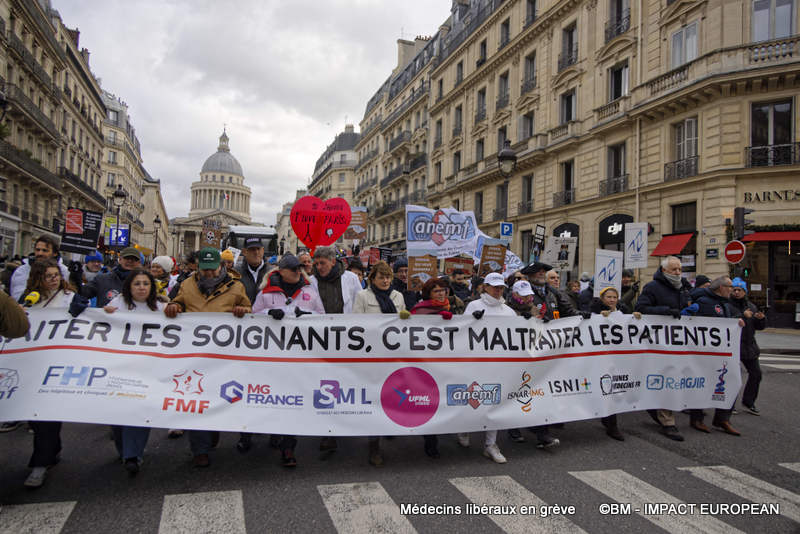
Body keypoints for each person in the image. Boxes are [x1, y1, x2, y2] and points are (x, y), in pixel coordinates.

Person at [164, 247, 251, 467]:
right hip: (195, 354)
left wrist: (242, 311)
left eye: (213, 269)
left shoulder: (236, 286)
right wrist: (174, 306)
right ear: (198, 268)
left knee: (219, 396)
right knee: (196, 399)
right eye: (205, 270)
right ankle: (200, 449)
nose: (210, 274)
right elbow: (177, 303)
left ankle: (213, 428)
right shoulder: (187, 284)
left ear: (221, 266)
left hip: (224, 354)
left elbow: (249, 310)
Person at [252, 254, 324, 466]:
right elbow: (252, 318)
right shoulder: (266, 291)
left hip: (299, 355)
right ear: (281, 271)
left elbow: (323, 317)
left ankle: (289, 448)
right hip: (273, 356)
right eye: (293, 269)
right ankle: (275, 432)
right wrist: (268, 313)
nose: (297, 272)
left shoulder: (310, 290)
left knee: (293, 399)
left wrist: (306, 316)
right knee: (275, 397)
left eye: (299, 269)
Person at [18, 259, 76, 487]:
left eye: (56, 275)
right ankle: (52, 450)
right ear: (37, 279)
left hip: (60, 364)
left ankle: (40, 464)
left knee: (46, 414)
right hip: (34, 364)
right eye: (48, 276)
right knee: (38, 417)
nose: (53, 279)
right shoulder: (28, 300)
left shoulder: (71, 298)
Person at [103, 269, 164, 476]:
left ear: (151, 287)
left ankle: (133, 455)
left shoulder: (161, 307)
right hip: (120, 367)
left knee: (139, 411)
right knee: (119, 416)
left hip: (148, 369)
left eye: (145, 283)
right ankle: (124, 451)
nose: (141, 287)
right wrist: (105, 314)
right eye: (137, 283)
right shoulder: (117, 305)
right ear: (129, 287)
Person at [352, 261, 406, 466]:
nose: (385, 281)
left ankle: (388, 427)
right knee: (374, 398)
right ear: (372, 279)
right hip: (371, 356)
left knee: (392, 395)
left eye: (388, 277)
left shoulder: (397, 296)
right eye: (381, 277)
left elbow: (404, 323)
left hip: (393, 355)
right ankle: (374, 445)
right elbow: (356, 325)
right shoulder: (363, 297)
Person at [635, 256, 692, 442]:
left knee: (677, 375)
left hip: (680, 341)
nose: (678, 273)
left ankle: (659, 407)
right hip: (658, 342)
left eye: (680, 270)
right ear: (664, 270)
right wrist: (666, 312)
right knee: (667, 377)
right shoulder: (652, 287)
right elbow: (641, 309)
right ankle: (668, 421)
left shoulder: (683, 287)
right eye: (674, 270)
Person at [462, 272, 516, 463]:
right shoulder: (474, 306)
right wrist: (471, 320)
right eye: (494, 286)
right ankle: (463, 428)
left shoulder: (508, 311)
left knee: (495, 402)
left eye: (501, 287)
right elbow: (462, 332)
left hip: (499, 364)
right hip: (477, 362)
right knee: (473, 397)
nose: (498, 290)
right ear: (485, 287)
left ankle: (490, 444)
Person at [689, 276, 745, 436]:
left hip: (721, 352)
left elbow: (723, 323)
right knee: (702, 382)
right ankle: (697, 418)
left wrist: (736, 322)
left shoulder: (723, 303)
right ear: (721, 288)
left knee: (732, 380)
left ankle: (722, 418)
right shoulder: (705, 302)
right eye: (730, 286)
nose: (733, 290)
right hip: (706, 352)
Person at [409, 278, 455, 460]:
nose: (441, 293)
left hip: (447, 360)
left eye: (443, 290)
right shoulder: (419, 310)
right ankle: (431, 441)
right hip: (426, 360)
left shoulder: (453, 306)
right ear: (428, 294)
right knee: (429, 400)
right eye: (436, 291)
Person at [590, 287, 643, 441]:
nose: (612, 300)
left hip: (617, 358)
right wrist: (599, 317)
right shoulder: (595, 310)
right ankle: (608, 421)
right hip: (601, 357)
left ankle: (611, 424)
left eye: (614, 297)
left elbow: (627, 324)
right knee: (604, 389)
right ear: (602, 298)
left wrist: (635, 317)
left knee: (612, 390)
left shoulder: (622, 310)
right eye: (608, 297)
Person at [728, 277, 765, 415]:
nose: (736, 292)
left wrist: (761, 319)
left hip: (749, 346)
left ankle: (749, 402)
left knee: (756, 374)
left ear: (745, 292)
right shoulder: (727, 305)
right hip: (733, 346)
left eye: (740, 290)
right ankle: (729, 404)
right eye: (734, 289)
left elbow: (758, 326)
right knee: (732, 377)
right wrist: (742, 316)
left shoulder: (751, 306)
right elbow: (727, 322)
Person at [9, 235, 69, 301]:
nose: (40, 253)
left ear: (55, 253)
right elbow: (16, 297)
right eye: (38, 250)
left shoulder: (64, 271)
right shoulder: (22, 270)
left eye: (45, 250)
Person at [236, 237, 270, 304]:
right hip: (243, 313)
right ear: (244, 252)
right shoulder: (235, 273)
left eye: (258, 249)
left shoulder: (272, 272)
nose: (256, 252)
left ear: (263, 250)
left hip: (264, 314)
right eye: (252, 249)